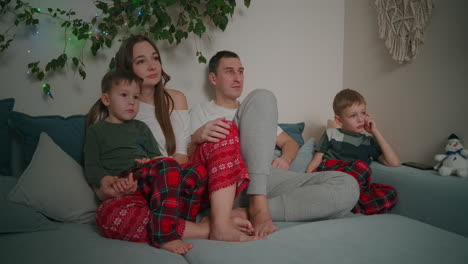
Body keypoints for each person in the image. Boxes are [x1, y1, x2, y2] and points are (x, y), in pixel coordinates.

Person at [190, 51, 360, 238]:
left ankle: (248, 210)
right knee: (260, 98)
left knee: (348, 186)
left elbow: (290, 143)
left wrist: (286, 158)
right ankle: (256, 207)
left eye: (241, 71)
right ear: (213, 78)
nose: (238, 78)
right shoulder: (199, 111)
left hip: (264, 179)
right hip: (228, 183)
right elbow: (185, 160)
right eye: (229, 71)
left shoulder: (256, 112)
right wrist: (196, 137)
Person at [110, 35, 259, 244]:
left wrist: (194, 141)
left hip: (180, 182)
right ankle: (212, 225)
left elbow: (182, 156)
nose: (152, 66)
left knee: (224, 129)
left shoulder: (175, 99)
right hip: (144, 190)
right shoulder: (116, 107)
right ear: (128, 67)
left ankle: (219, 222)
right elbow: (111, 164)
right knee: (111, 216)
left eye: (155, 58)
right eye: (141, 61)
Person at [85, 71, 218, 254]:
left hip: (146, 177)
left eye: (136, 97)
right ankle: (164, 235)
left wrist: (151, 161)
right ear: (106, 99)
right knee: (168, 166)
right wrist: (105, 179)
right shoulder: (97, 131)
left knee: (196, 171)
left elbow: (157, 157)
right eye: (124, 95)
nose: (131, 101)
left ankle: (184, 221)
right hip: (122, 179)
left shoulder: (141, 127)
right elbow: (92, 165)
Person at [306, 88, 400, 215]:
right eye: (353, 115)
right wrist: (308, 181)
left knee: (390, 193)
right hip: (332, 175)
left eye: (363, 113)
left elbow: (393, 162)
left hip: (355, 186)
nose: (360, 119)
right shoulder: (332, 133)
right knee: (361, 167)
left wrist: (375, 132)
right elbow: (317, 160)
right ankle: (340, 200)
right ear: (339, 120)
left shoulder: (369, 142)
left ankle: (350, 206)